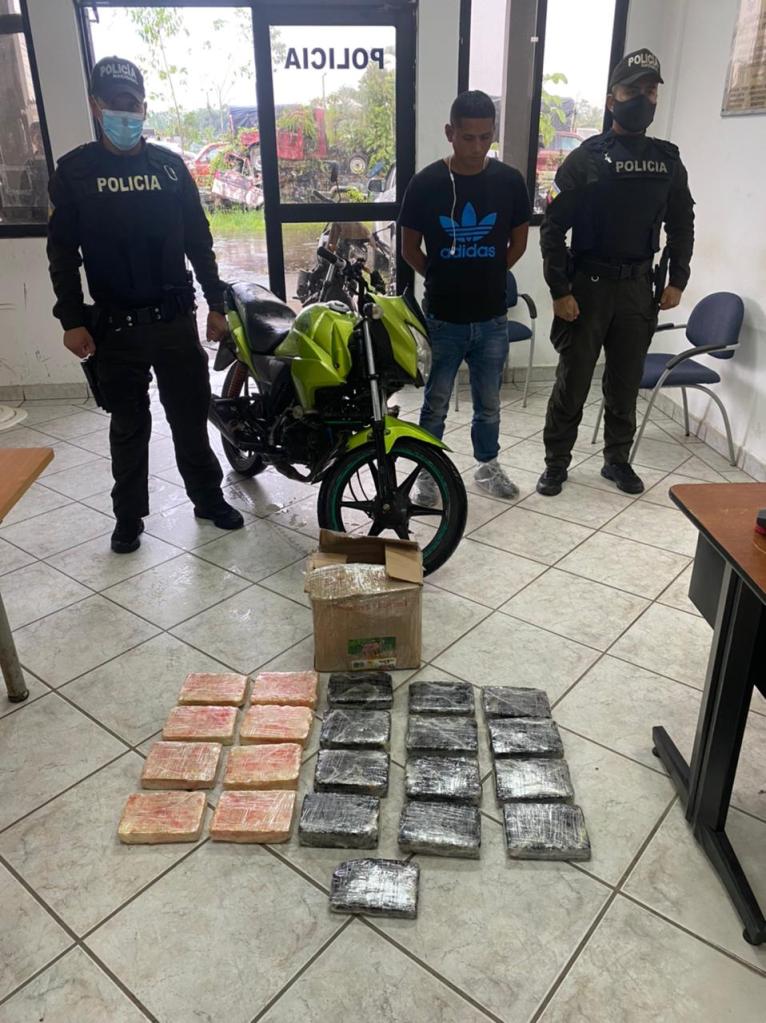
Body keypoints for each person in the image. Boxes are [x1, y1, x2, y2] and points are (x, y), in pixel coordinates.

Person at [47, 56, 243, 553]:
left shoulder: (170, 169)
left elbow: (199, 242)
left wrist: (216, 304)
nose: (126, 113)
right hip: (115, 327)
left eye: (132, 104)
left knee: (190, 416)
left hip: (173, 320)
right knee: (129, 426)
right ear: (96, 106)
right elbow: (63, 255)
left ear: (144, 106)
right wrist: (71, 319)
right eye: (115, 104)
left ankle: (207, 498)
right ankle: (128, 516)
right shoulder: (75, 173)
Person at [537, 48, 694, 497]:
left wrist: (677, 279)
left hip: (638, 289)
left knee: (624, 383)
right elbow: (553, 227)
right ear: (611, 100)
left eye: (650, 91)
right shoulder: (585, 158)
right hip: (587, 288)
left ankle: (617, 461)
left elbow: (682, 223)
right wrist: (559, 289)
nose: (641, 99)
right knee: (573, 381)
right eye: (631, 91)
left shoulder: (667, 160)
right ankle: (556, 463)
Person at [399, 90, 531, 501]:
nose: (477, 147)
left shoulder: (509, 181)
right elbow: (409, 248)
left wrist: (487, 273)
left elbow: (519, 242)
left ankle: (488, 467)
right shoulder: (427, 183)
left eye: (485, 137)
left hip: (491, 317)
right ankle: (427, 473)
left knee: (488, 403)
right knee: (435, 402)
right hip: (443, 317)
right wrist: (441, 275)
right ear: (449, 132)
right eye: (468, 137)